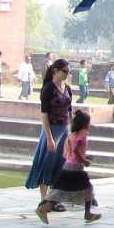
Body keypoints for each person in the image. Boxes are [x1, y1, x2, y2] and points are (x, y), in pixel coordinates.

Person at [35, 110, 100, 224]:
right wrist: (84, 161)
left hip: (67, 167)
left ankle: (42, 209)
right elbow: (75, 151)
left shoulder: (71, 135)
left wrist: (85, 156)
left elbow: (68, 152)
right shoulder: (83, 134)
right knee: (88, 190)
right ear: (84, 124)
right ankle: (87, 214)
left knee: (58, 192)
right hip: (76, 170)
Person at [25, 59, 72, 210]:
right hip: (52, 129)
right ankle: (44, 199)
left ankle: (54, 199)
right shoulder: (48, 89)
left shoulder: (67, 88)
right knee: (47, 163)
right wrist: (49, 138)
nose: (66, 74)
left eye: (67, 72)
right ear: (56, 70)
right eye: (64, 71)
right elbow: (44, 115)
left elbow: (69, 111)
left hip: (64, 129)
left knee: (60, 164)